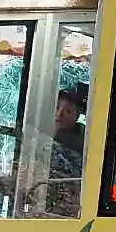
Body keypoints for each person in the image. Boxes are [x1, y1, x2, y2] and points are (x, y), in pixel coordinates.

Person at [45, 85, 87, 216]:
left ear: (76, 117)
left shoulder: (78, 142)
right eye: (56, 107)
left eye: (68, 111)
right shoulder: (40, 136)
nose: (59, 115)